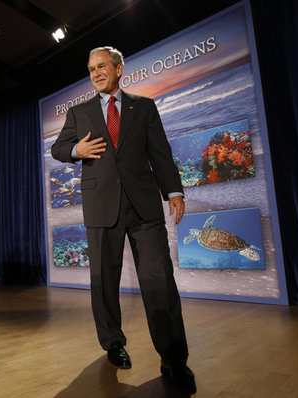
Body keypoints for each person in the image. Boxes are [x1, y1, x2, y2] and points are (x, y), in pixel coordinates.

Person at [51, 46, 196, 394]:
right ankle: (113, 343)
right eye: (91, 69)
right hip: (102, 207)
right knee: (103, 282)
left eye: (102, 66)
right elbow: (59, 148)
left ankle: (174, 358)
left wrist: (174, 191)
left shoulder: (143, 107)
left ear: (118, 69)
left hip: (143, 207)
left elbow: (160, 151)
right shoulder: (79, 112)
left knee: (159, 280)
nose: (96, 72)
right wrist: (76, 151)